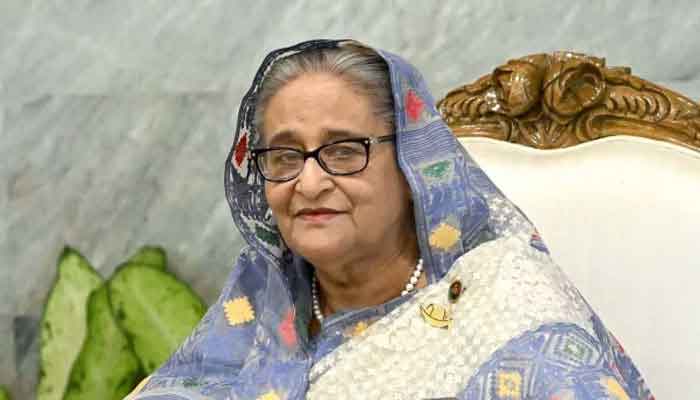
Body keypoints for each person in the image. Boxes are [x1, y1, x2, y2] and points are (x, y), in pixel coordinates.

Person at [127, 39, 653, 400]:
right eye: (285, 156)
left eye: (343, 151)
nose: (308, 183)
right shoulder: (259, 306)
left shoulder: (510, 305)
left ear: (411, 167)